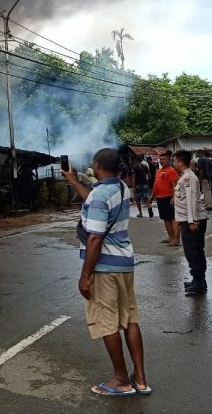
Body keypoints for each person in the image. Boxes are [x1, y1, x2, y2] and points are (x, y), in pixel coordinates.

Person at [63, 148, 150, 397]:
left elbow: (95, 238)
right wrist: (73, 181)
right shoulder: (121, 188)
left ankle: (121, 380)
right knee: (130, 320)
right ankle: (140, 379)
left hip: (104, 268)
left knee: (107, 322)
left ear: (97, 166)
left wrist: (85, 276)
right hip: (124, 263)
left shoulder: (100, 195)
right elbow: (92, 197)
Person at [172, 150, 209, 296]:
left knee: (194, 252)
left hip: (193, 221)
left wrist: (192, 220)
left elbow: (192, 200)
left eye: (174, 160)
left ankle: (199, 282)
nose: (173, 163)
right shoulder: (185, 177)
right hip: (188, 220)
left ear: (180, 162)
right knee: (193, 251)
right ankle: (198, 280)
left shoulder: (188, 178)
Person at [151, 152, 179, 246]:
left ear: (169, 160)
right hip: (159, 198)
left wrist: (174, 197)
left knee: (172, 218)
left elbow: (174, 185)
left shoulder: (171, 171)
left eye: (164, 159)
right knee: (165, 219)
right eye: (161, 160)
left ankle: (176, 239)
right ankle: (170, 237)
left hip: (168, 197)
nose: (162, 161)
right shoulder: (158, 171)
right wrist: (152, 196)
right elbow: (156, 184)